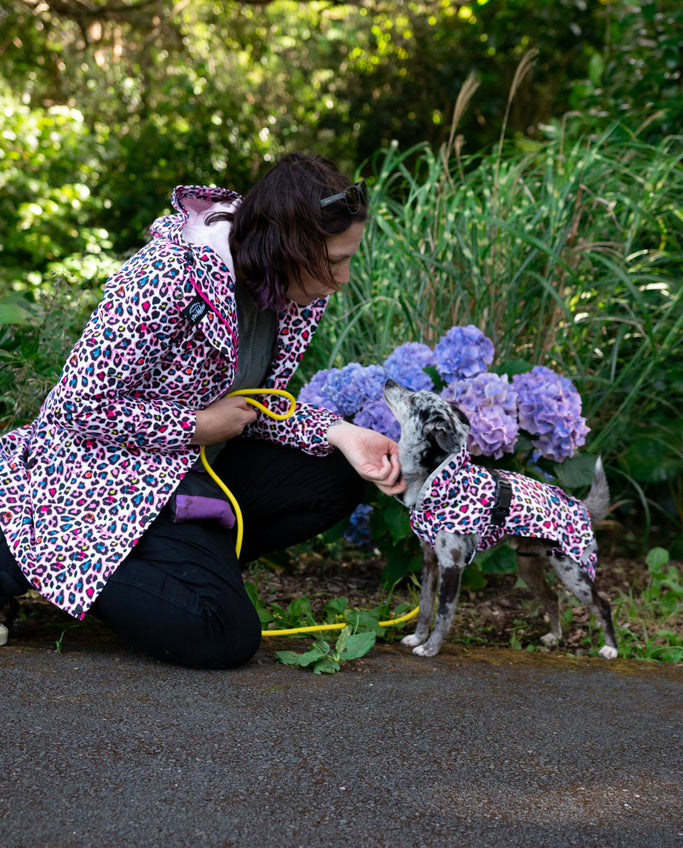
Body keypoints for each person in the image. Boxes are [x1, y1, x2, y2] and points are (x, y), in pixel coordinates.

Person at [0, 152, 405, 667]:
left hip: (189, 471)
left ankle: (175, 567)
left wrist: (339, 432)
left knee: (339, 472)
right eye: (335, 260)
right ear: (289, 245)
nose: (344, 277)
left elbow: (251, 408)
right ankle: (23, 551)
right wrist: (196, 426)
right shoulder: (167, 275)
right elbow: (75, 408)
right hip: (105, 478)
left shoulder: (293, 288)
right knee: (224, 636)